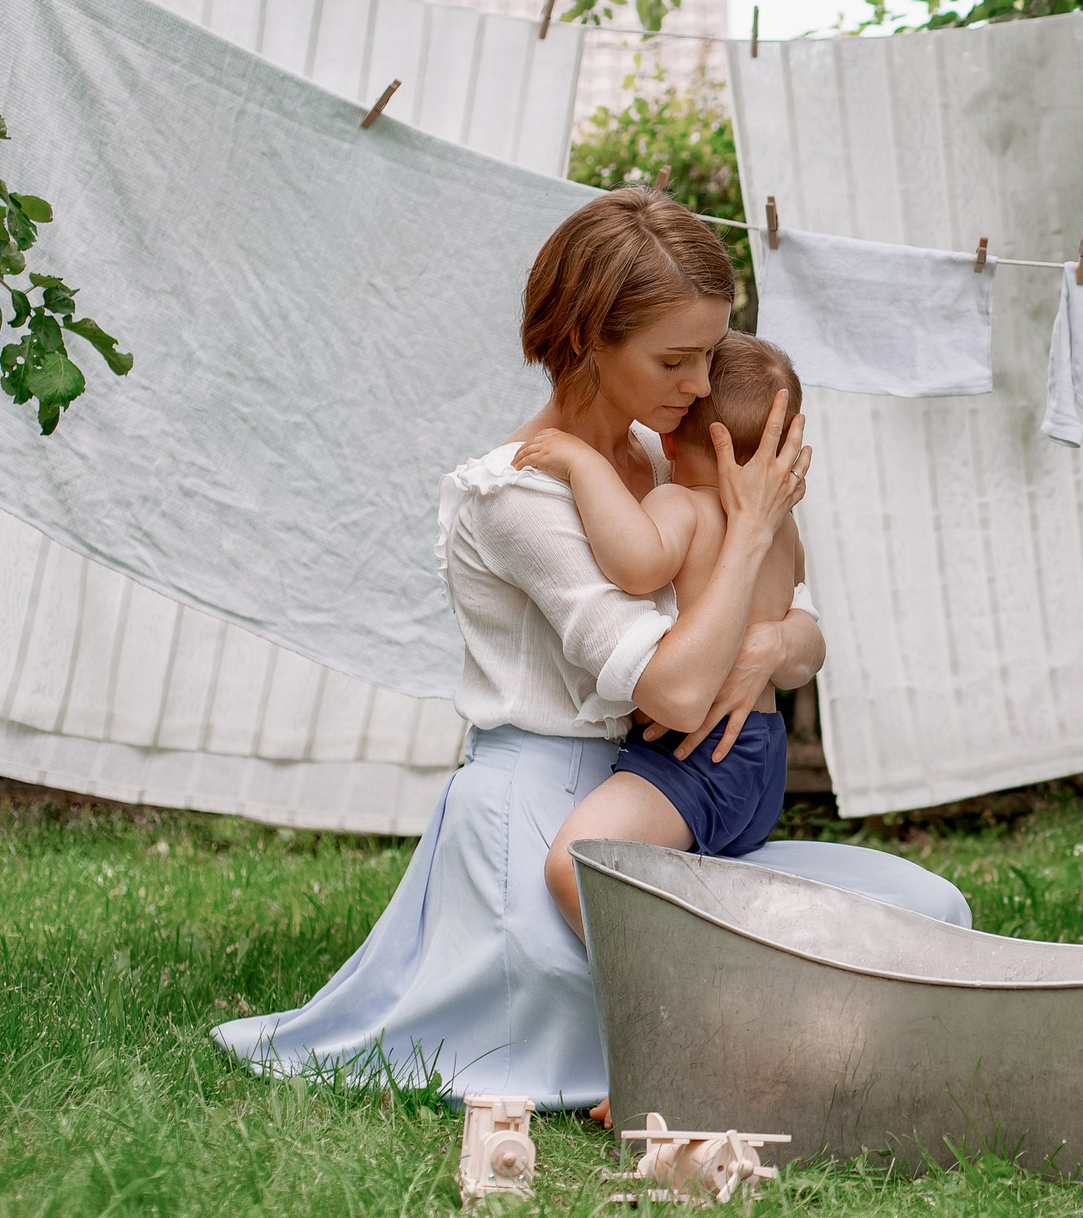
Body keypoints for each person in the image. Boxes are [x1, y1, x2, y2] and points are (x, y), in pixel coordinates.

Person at [212, 188, 970, 1114]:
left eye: (708, 355)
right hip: (549, 834)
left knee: (921, 913)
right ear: (584, 338)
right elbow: (679, 690)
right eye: (673, 359)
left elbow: (805, 639)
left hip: (666, 794)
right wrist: (749, 540)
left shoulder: (678, 463)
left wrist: (766, 639)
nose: (698, 384)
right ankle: (696, 1051)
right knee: (649, 996)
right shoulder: (515, 492)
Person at [514, 334, 808, 932]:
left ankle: (672, 997)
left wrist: (584, 463)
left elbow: (637, 563)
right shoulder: (780, 530)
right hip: (763, 757)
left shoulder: (682, 503)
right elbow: (792, 596)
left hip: (698, 757)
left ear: (669, 437)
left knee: (575, 866)